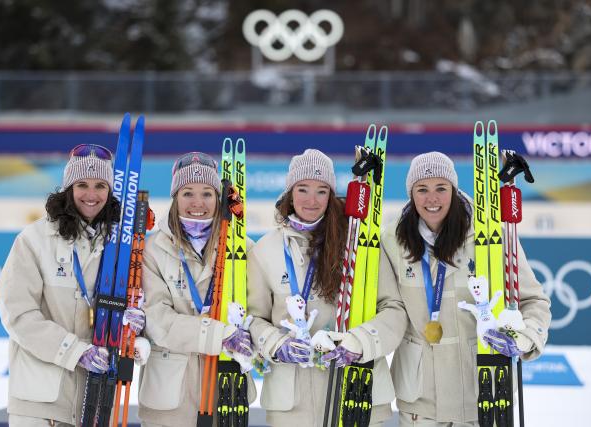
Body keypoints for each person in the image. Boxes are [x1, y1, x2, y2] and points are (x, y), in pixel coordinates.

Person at [381, 151, 551, 426]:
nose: (432, 198)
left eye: (441, 188)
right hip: (420, 401)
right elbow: (389, 309)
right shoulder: (392, 239)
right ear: (411, 193)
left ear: (454, 189)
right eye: (422, 189)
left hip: (484, 392)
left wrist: (525, 337)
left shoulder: (490, 234)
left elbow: (533, 300)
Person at [247, 149, 407, 427]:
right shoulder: (265, 251)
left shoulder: (359, 244)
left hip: (356, 394)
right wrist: (277, 344)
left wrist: (359, 343)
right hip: (292, 404)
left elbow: (393, 310)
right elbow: (254, 319)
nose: (312, 200)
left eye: (322, 191)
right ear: (289, 192)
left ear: (331, 195)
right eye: (303, 189)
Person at [0, 144, 146, 426]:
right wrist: (75, 351)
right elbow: (17, 314)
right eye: (82, 185)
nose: (91, 195)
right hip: (40, 403)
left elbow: (136, 303)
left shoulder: (120, 247)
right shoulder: (34, 240)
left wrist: (137, 325)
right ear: (68, 188)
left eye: (101, 185)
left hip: (99, 400)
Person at [138, 152, 255, 427]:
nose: (197, 203)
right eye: (187, 193)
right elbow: (157, 320)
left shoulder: (244, 248)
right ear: (175, 197)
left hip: (226, 394)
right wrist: (221, 334)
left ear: (219, 198)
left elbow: (258, 313)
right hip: (168, 398)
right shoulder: (152, 249)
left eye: (207, 193)